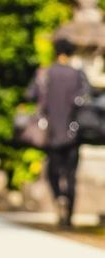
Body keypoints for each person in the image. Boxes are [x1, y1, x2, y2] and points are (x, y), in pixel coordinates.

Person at [27, 37, 91, 227]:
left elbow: (30, 94)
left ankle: (58, 197)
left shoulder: (45, 73)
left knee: (52, 172)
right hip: (73, 132)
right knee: (71, 174)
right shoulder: (77, 75)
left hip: (51, 132)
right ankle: (68, 213)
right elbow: (86, 98)